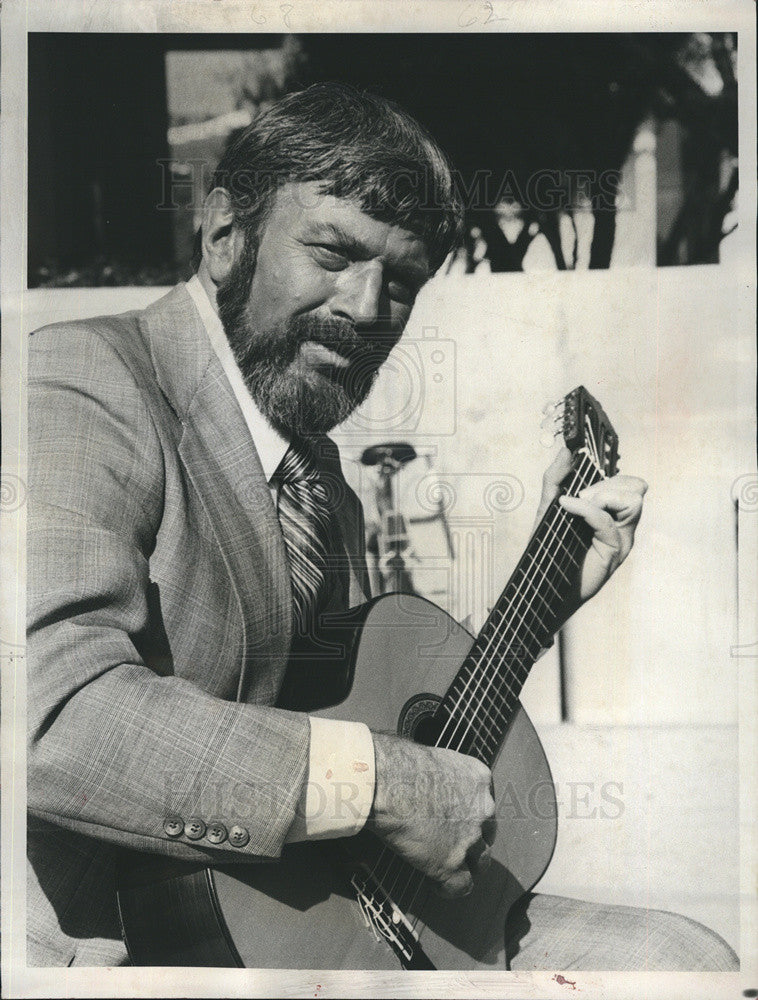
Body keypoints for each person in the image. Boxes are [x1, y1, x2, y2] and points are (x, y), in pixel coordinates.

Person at [27, 82, 737, 971]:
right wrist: (381, 782)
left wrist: (544, 597)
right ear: (223, 236)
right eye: (332, 252)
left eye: (402, 281)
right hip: (119, 950)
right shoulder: (81, 383)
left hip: (325, 922)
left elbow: (364, 714)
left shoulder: (320, 478)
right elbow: (46, 715)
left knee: (680, 963)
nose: (367, 308)